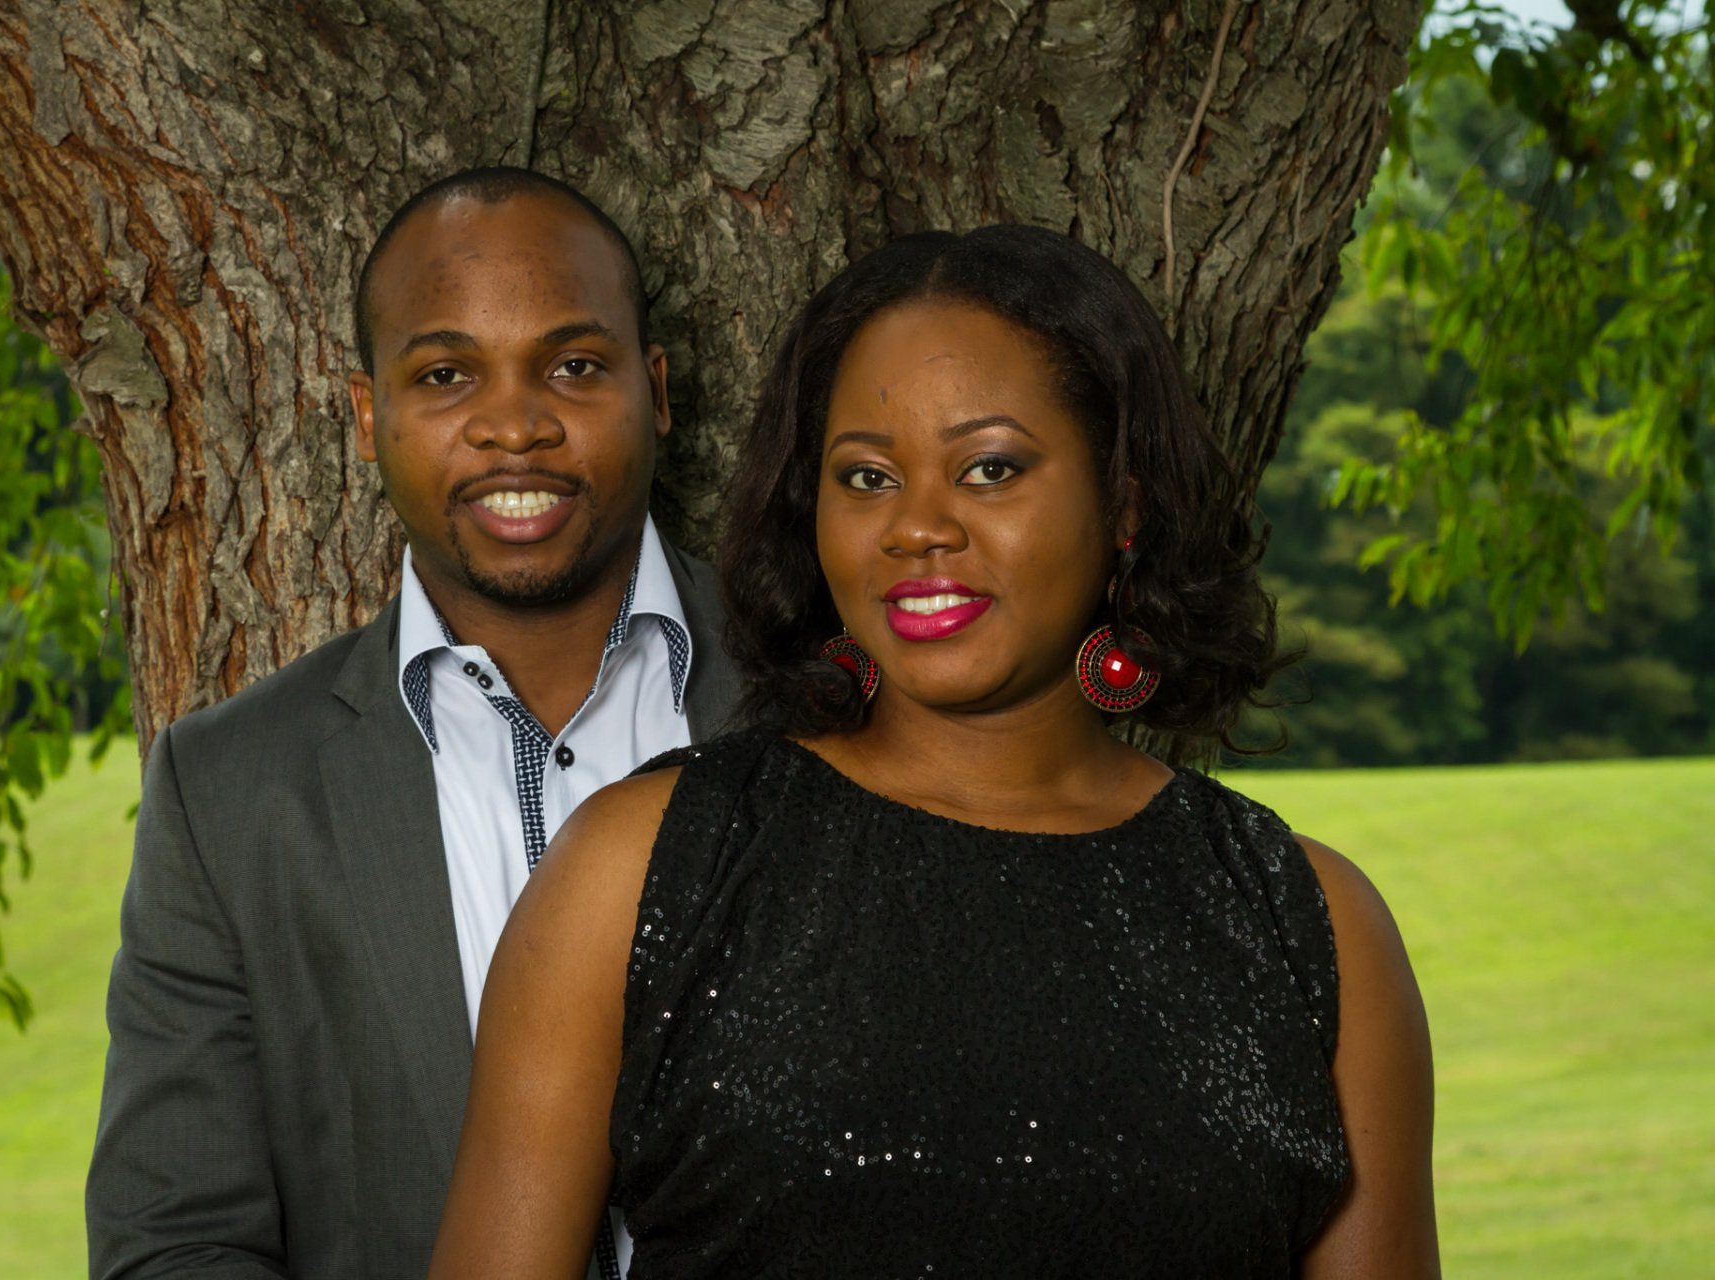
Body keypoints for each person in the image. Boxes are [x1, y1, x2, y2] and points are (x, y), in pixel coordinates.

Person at [426, 225, 1440, 1277]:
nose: (917, 527)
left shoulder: (1307, 924)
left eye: (989, 468)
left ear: (1123, 504)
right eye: (865, 477)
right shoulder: (643, 865)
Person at [86, 168, 741, 1279]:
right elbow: (174, 1244)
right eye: (446, 374)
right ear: (367, 414)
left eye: (574, 366)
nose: (515, 426)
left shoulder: (837, 705)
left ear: (658, 389)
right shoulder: (231, 793)